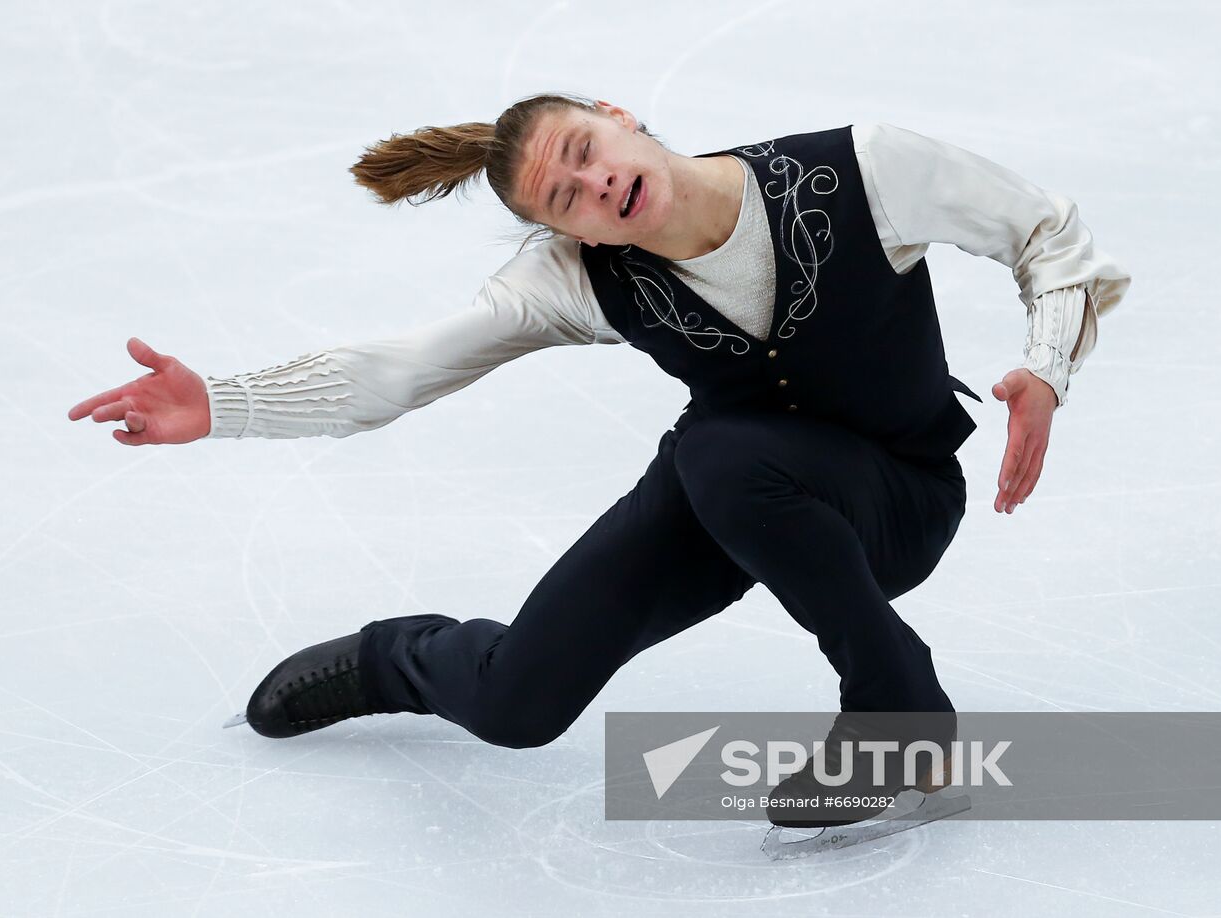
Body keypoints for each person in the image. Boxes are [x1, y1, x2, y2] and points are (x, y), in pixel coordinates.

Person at [67, 92, 1131, 757]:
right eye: (562, 197)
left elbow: (1046, 231)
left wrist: (1044, 371)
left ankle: (896, 713)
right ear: (556, 232)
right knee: (516, 707)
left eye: (583, 149)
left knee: (723, 451)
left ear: (617, 115)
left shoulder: (860, 168)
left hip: (892, 503)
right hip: (729, 493)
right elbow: (399, 369)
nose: (593, 184)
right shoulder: (573, 280)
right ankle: (396, 660)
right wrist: (226, 405)